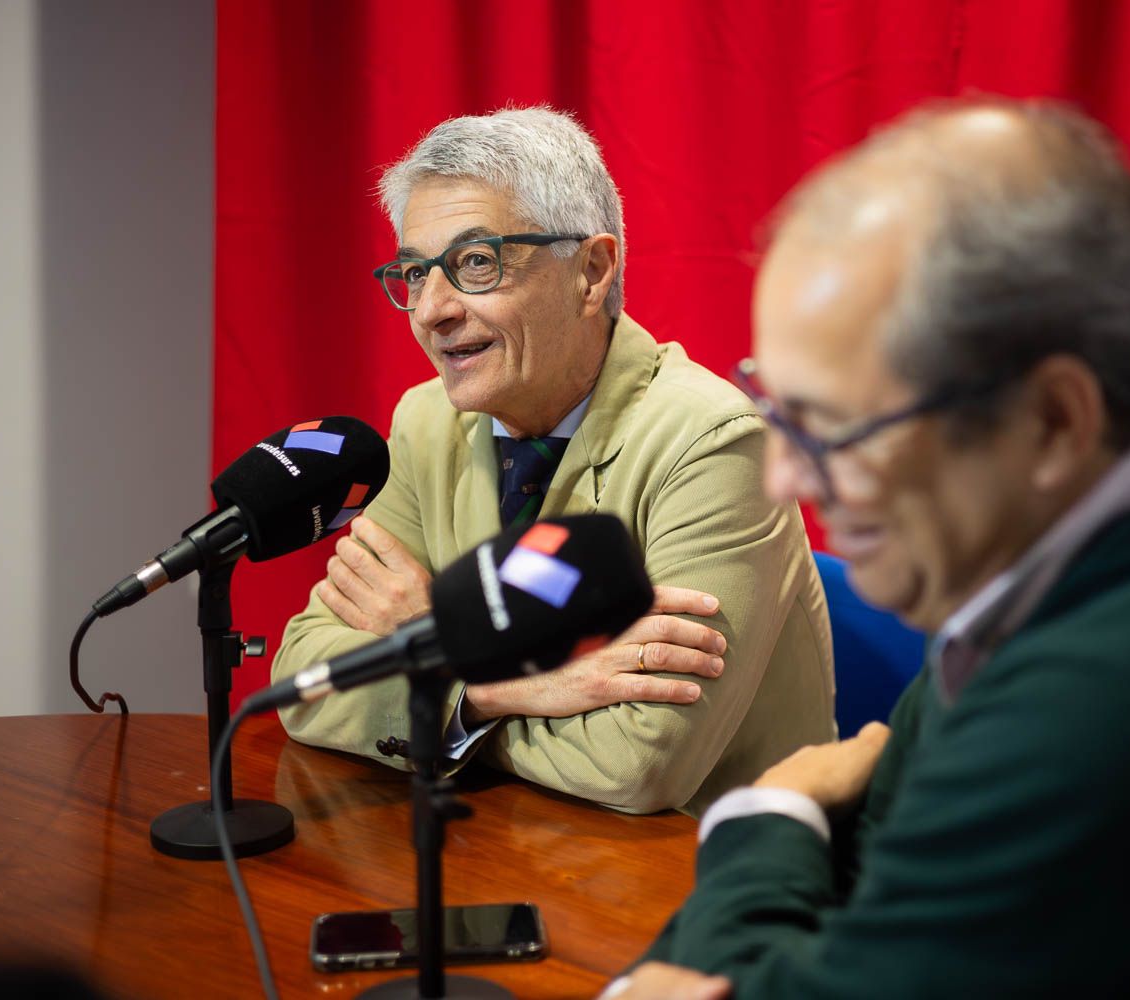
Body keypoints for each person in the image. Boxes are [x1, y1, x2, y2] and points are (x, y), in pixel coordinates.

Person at [613, 97, 1130, 996]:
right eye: (774, 409)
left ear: (1056, 422)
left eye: (831, 428)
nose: (785, 479)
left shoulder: (1127, 689)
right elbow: (863, 891)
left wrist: (764, 816)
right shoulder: (1076, 552)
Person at [270, 107, 834, 818]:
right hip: (506, 845)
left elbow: (639, 766)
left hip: (702, 878)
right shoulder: (424, 422)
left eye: (475, 263)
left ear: (592, 271)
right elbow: (304, 673)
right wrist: (491, 688)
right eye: (415, 273)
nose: (430, 310)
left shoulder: (716, 441)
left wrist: (434, 669)